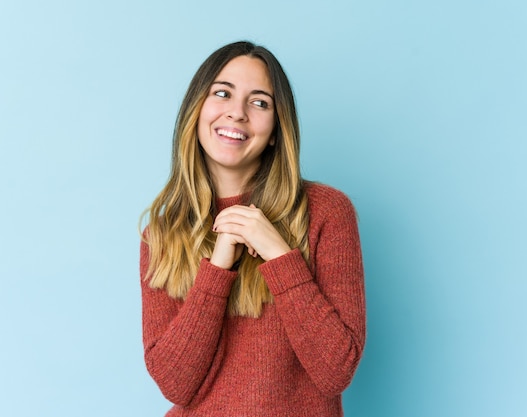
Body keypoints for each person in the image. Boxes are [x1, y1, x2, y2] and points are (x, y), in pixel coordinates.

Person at [139, 40, 365, 416]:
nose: (237, 113)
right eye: (222, 94)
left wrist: (280, 255)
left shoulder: (328, 212)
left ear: (276, 129)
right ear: (196, 111)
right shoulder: (163, 234)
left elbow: (335, 371)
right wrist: (217, 269)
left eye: (259, 102)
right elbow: (175, 383)